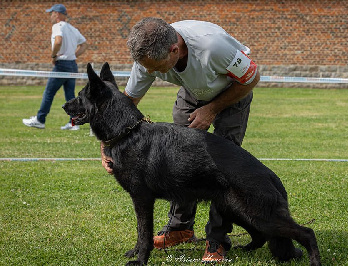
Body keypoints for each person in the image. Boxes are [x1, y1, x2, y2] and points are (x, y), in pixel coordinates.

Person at [101, 17, 260, 263]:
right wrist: (108, 146)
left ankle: (217, 240)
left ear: (174, 50)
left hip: (232, 91)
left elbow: (251, 78)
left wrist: (212, 110)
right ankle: (179, 229)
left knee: (222, 166)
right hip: (192, 91)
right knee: (176, 159)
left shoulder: (214, 47)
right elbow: (127, 104)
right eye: (146, 68)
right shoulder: (147, 57)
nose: (150, 72)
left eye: (155, 67)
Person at [23, 4, 88, 130]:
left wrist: (53, 56)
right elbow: (84, 45)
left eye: (51, 13)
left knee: (49, 92)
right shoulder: (73, 28)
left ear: (57, 14)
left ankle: (40, 120)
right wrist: (73, 55)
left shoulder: (57, 26)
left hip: (62, 65)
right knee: (70, 96)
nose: (51, 16)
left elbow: (58, 41)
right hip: (72, 64)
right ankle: (73, 123)